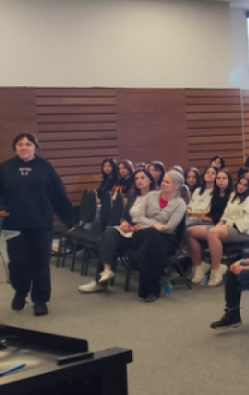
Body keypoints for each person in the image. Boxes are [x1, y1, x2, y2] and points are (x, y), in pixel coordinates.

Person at [80, 169, 188, 302]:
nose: (163, 183)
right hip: (141, 232)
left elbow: (169, 227)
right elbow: (138, 216)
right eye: (163, 181)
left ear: (176, 186)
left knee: (149, 237)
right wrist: (153, 225)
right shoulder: (151, 196)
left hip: (165, 238)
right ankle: (102, 279)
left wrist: (149, 226)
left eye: (167, 182)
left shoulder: (180, 204)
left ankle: (150, 287)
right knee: (111, 232)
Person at [0, 133, 76, 316]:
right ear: (15, 148)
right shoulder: (5, 168)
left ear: (35, 147)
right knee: (18, 262)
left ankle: (40, 300)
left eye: (28, 144)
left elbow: (58, 193)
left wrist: (71, 220)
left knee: (41, 262)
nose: (24, 147)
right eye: (20, 144)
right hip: (14, 223)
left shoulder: (45, 167)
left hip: (41, 222)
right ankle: (20, 291)